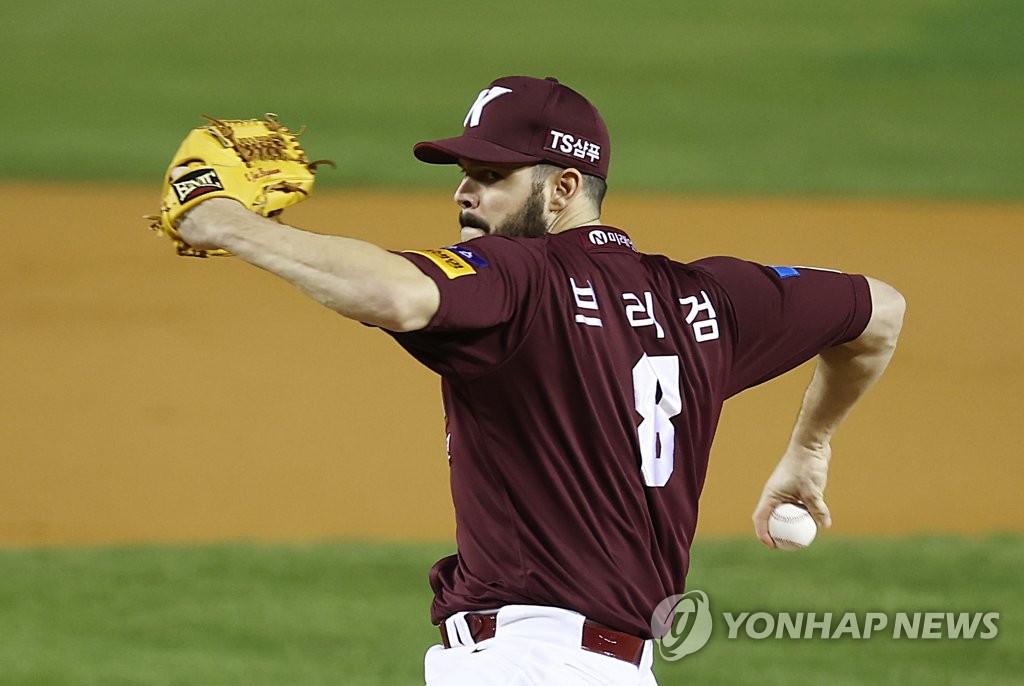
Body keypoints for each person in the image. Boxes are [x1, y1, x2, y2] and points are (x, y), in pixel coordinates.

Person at [173, 76, 906, 685]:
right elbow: (880, 312)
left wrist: (224, 223)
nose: (464, 194)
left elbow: (397, 294)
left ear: (562, 189)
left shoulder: (522, 279)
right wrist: (810, 449)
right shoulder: (707, 299)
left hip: (526, 665)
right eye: (465, 174)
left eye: (491, 177)